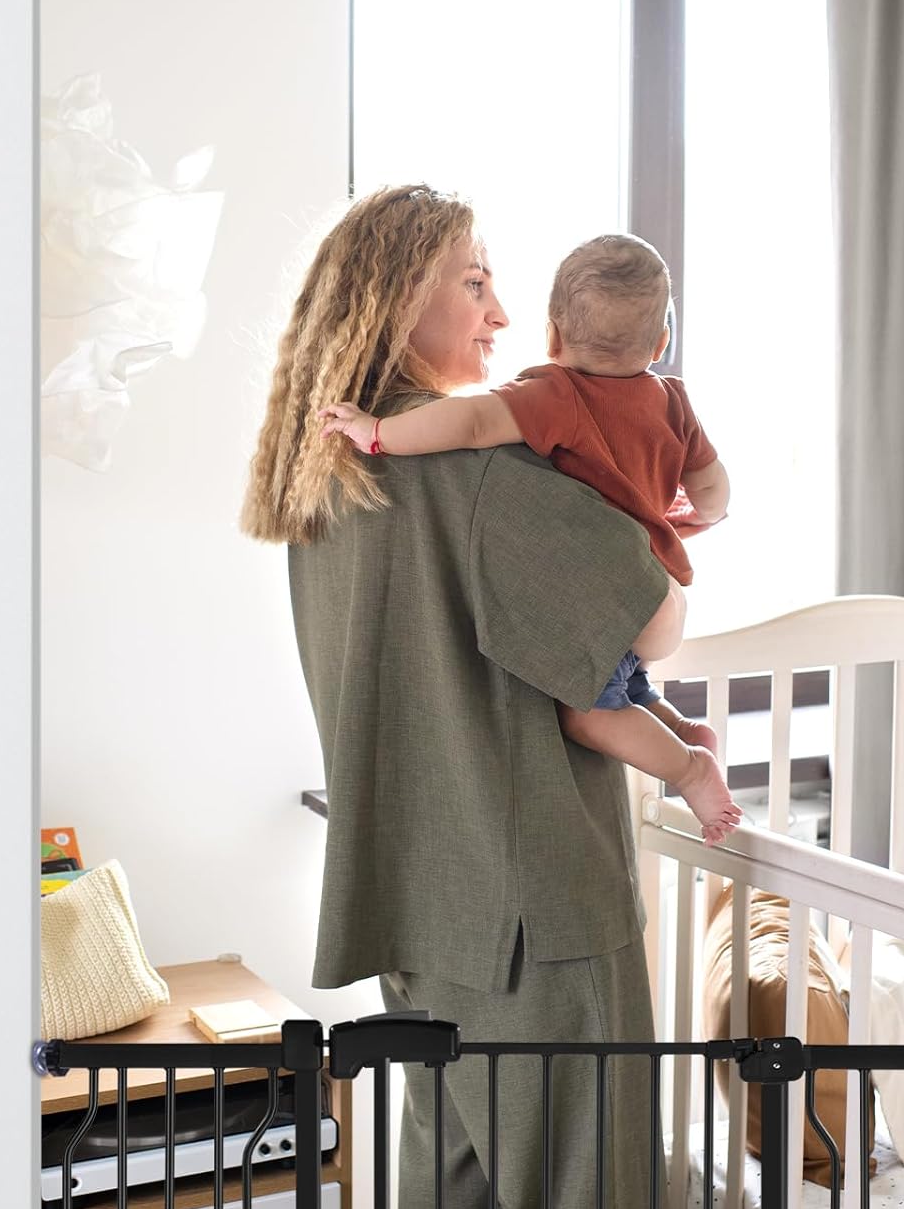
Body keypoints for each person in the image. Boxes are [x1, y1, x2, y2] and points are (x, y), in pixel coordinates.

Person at [241, 185, 678, 1209]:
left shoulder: (327, 478)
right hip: (539, 913)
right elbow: (646, 624)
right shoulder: (478, 477)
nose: (499, 313)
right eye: (474, 282)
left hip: (418, 917)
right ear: (396, 302)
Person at [317, 232, 742, 846]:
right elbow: (712, 488)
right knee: (626, 687)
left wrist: (378, 432)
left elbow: (470, 422)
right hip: (655, 586)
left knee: (588, 715)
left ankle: (690, 768)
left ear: (553, 335)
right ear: (660, 343)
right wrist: (700, 518)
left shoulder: (556, 394)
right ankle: (682, 728)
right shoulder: (673, 400)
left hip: (607, 601)